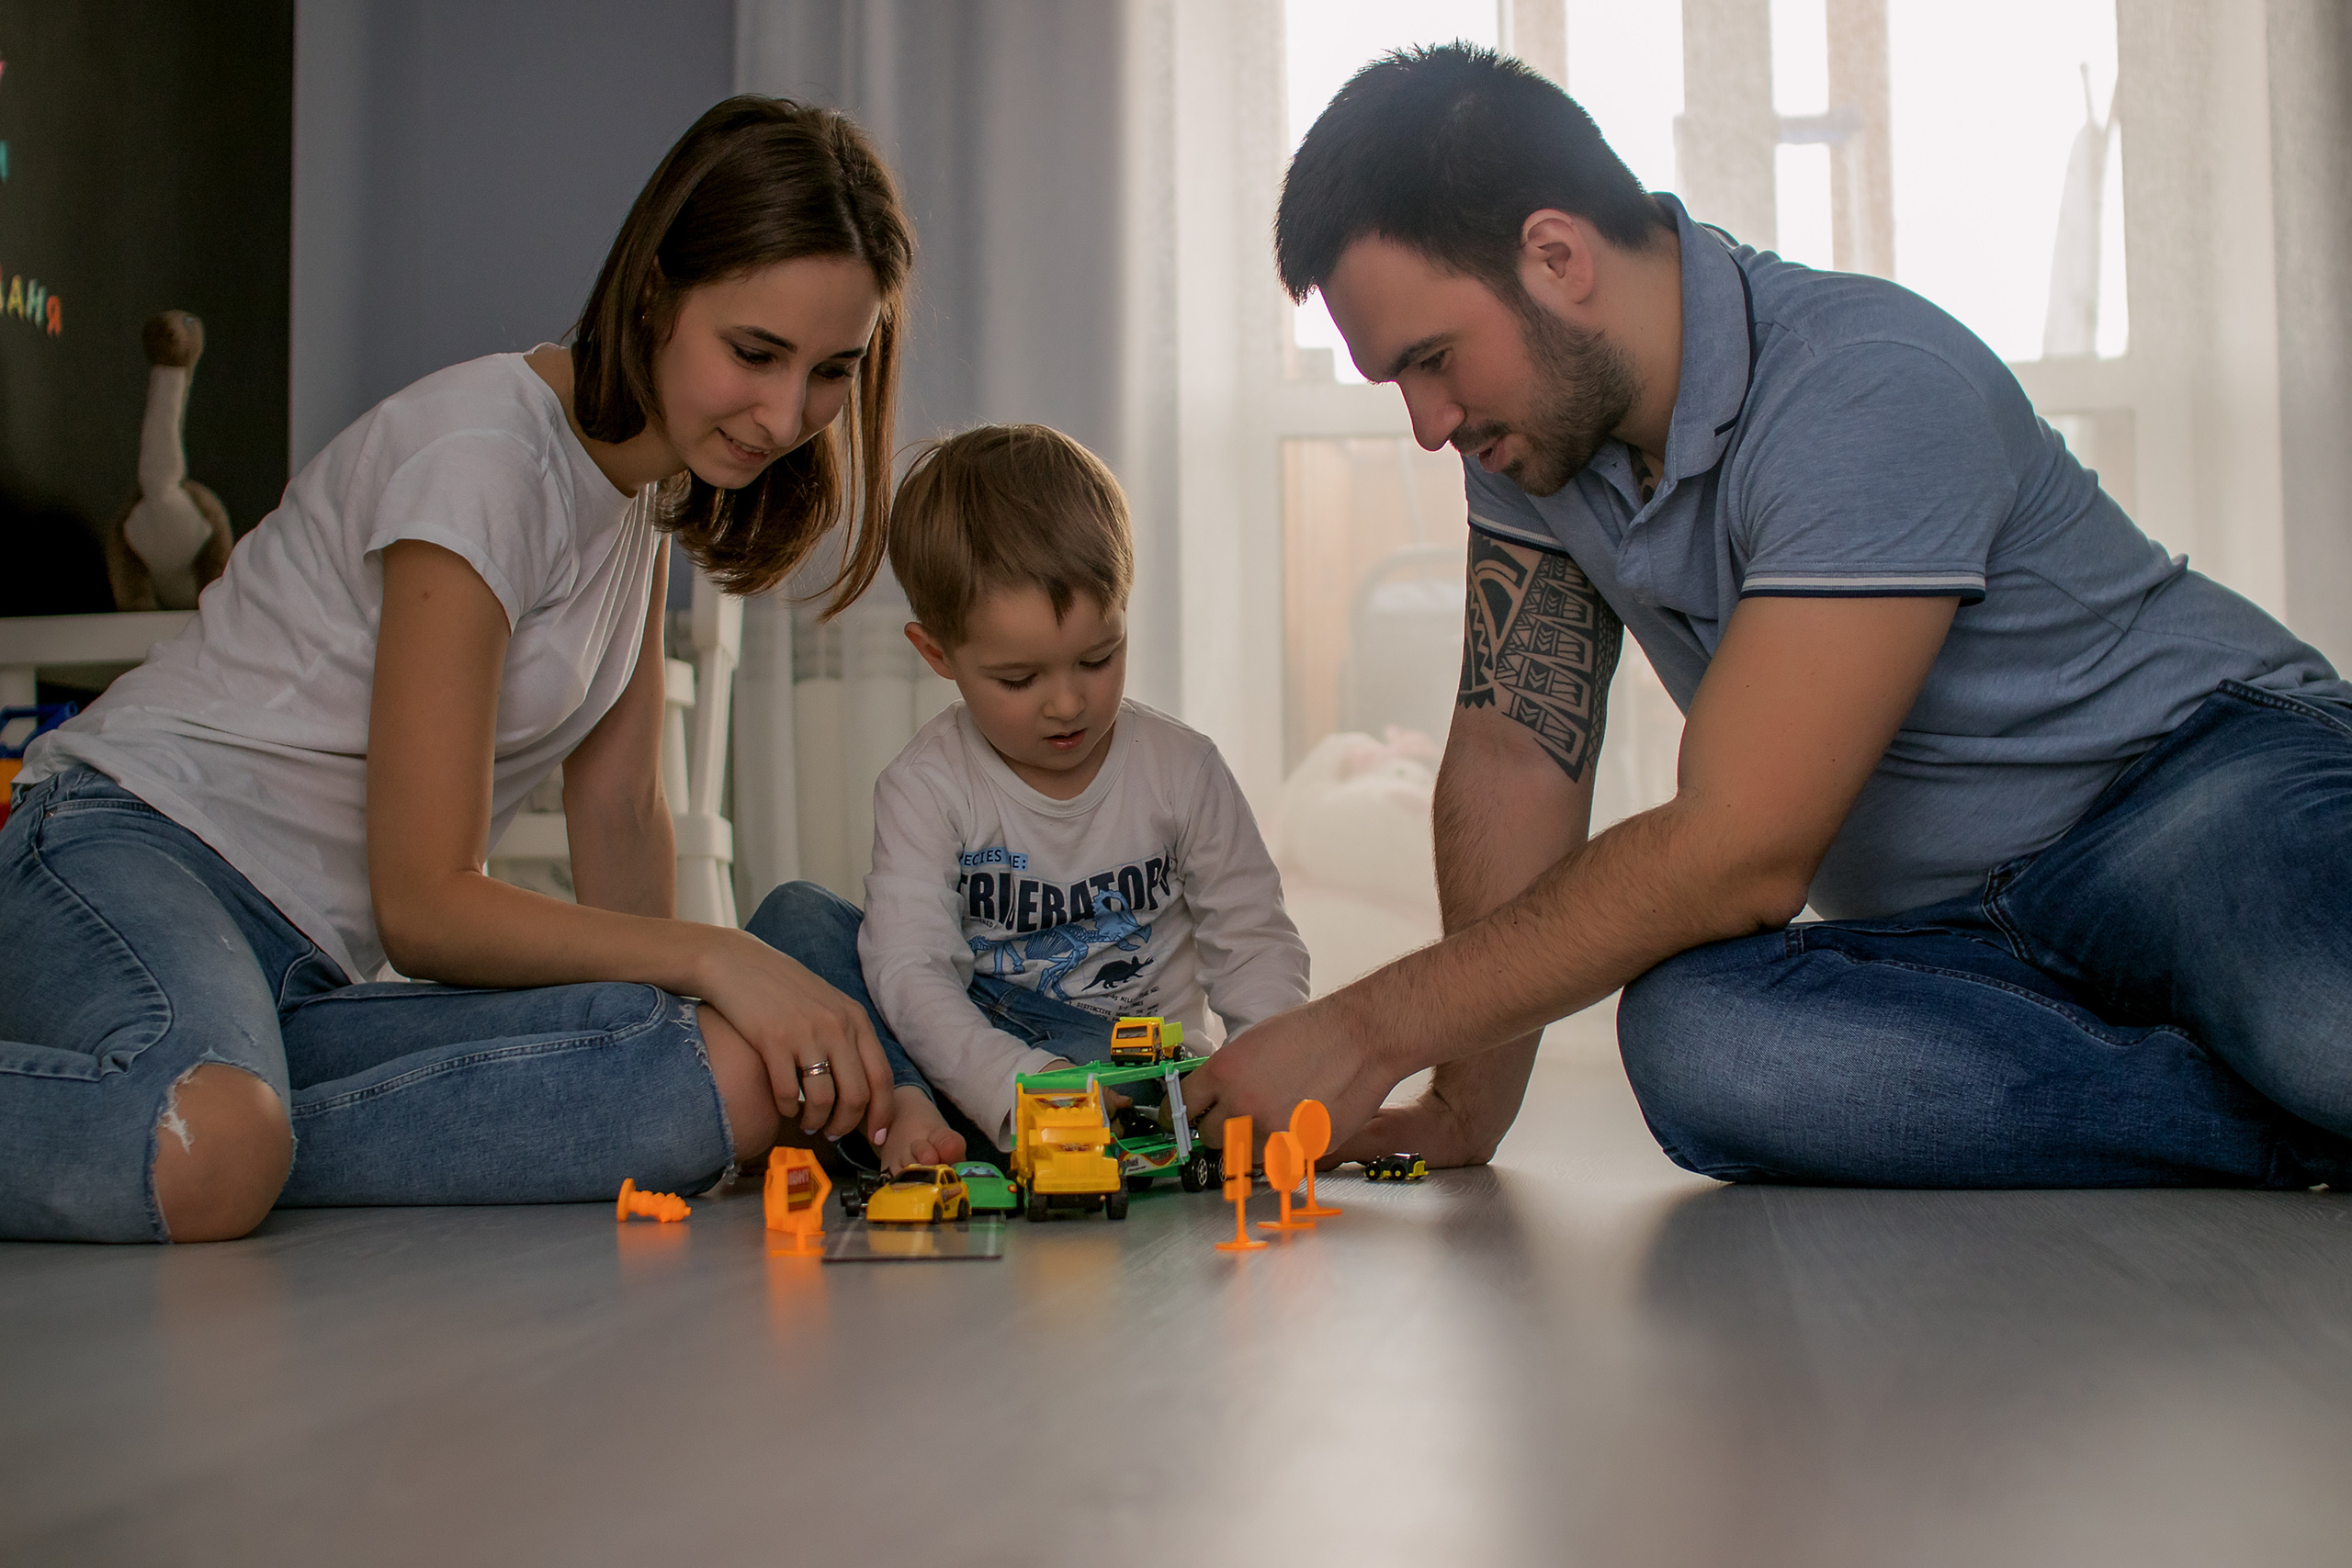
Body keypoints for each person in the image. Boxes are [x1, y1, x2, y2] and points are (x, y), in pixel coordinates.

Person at [1184, 45, 2352, 1189]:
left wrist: (1359, 1030)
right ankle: (2289, 1125)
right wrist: (1461, 1104)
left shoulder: (1861, 378)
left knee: (2325, 1024)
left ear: (1556, 257)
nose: (1428, 423)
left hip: (2194, 795)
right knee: (1700, 1042)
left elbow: (1741, 850)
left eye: (1433, 359)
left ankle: (2299, 1084)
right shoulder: (1536, 452)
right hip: (1959, 933)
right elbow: (1515, 752)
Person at [0, 96, 967, 1245]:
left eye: (830, 371)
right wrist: (721, 956)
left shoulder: (643, 497)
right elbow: (425, 906)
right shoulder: (485, 456)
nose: (786, 413)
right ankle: (214, 1130)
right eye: (754, 353)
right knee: (209, 1151)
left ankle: (230, 1120)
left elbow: (620, 812)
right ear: (652, 294)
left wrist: (679, 1016)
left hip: (304, 980)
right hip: (128, 854)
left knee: (723, 1078)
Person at [761, 423, 1308, 1153]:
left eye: (1098, 658)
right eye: (1019, 679)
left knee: (1152, 1066)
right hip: (977, 1072)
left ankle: (951, 1117)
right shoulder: (926, 785)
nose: (1067, 703)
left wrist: (1266, 1075)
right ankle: (914, 1110)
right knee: (798, 918)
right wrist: (1023, 1082)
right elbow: (913, 971)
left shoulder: (1182, 769)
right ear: (936, 653)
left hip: (1127, 1070)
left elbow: (1254, 939)